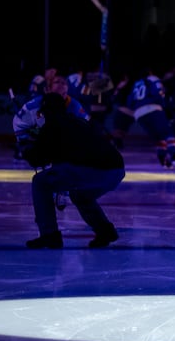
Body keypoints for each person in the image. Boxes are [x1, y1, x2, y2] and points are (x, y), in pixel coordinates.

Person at [22, 93, 124, 249]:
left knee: (40, 182)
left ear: (46, 111)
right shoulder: (79, 121)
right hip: (116, 170)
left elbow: (37, 160)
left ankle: (49, 235)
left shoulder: (51, 126)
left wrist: (27, 147)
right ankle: (105, 232)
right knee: (80, 195)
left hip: (91, 170)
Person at [13, 73, 89, 161]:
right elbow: (18, 122)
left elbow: (86, 126)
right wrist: (24, 143)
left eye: (64, 83)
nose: (61, 85)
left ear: (68, 89)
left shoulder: (75, 106)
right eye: (57, 82)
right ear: (48, 89)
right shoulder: (34, 105)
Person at [126, 67, 175, 168]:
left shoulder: (136, 84)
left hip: (138, 113)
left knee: (158, 137)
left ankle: (164, 161)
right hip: (152, 108)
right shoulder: (153, 78)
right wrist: (165, 106)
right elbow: (158, 94)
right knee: (168, 132)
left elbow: (129, 102)